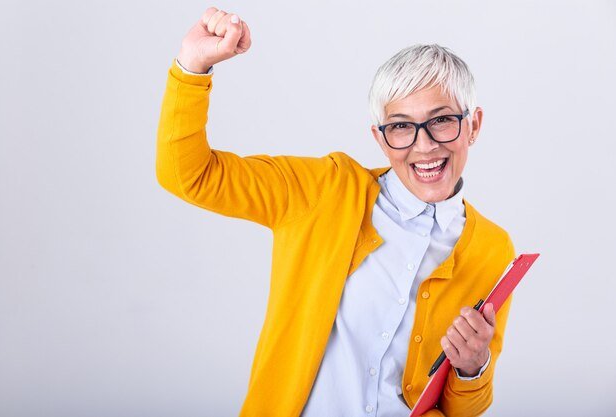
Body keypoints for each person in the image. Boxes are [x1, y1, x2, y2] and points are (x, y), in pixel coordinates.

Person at [156, 6, 516, 417]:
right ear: (380, 138)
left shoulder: (492, 248)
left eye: (443, 120)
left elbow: (463, 408)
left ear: (474, 125)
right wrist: (193, 65)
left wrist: (473, 368)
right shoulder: (323, 191)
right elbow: (189, 174)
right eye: (401, 126)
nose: (425, 145)